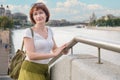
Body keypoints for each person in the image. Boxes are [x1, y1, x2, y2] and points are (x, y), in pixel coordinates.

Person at [18, 2, 69, 80]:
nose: (38, 16)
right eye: (35, 14)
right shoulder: (28, 32)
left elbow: (54, 49)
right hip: (30, 70)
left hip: (44, 70)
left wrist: (62, 50)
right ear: (33, 18)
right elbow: (31, 55)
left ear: (46, 15)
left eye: (41, 13)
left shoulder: (50, 30)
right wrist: (53, 55)